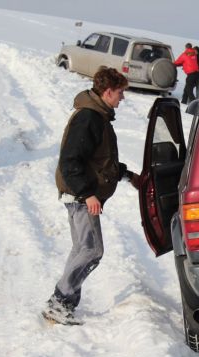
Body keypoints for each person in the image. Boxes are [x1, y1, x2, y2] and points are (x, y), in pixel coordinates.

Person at [43, 67, 140, 325]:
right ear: (107, 92)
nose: (122, 98)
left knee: (81, 249)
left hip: (79, 194)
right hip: (80, 195)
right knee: (92, 250)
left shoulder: (97, 117)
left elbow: (100, 162)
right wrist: (87, 194)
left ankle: (64, 303)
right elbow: (70, 161)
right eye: (120, 93)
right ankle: (59, 301)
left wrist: (128, 176)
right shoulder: (89, 118)